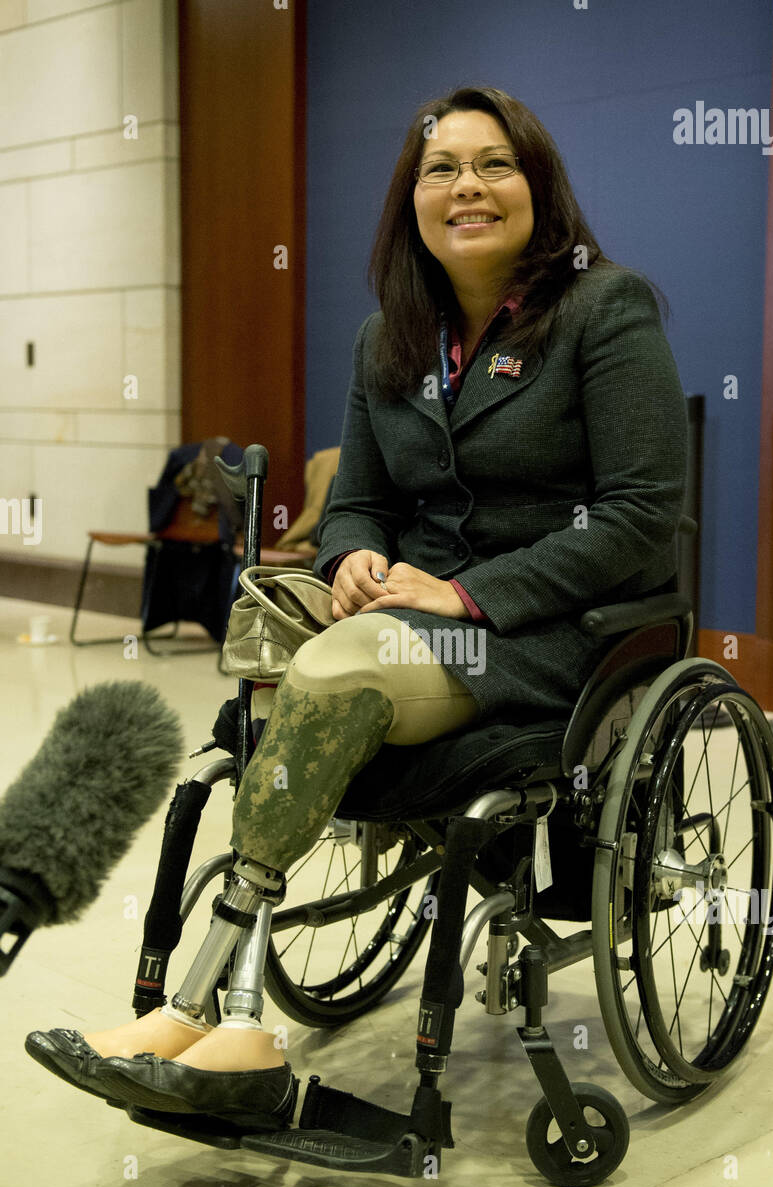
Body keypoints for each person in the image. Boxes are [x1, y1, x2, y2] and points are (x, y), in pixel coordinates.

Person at [26, 85, 686, 1127]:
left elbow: (642, 516)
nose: (465, 186)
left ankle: (210, 1011)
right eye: (440, 169)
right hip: (398, 623)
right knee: (311, 669)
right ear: (411, 199)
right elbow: (360, 503)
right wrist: (356, 556)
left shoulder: (605, 312)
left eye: (494, 164)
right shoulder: (391, 333)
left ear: (539, 189)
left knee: (331, 671)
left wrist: (464, 591)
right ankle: (207, 1013)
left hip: (546, 638)